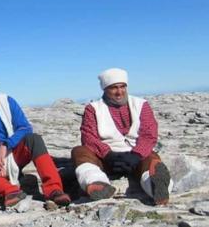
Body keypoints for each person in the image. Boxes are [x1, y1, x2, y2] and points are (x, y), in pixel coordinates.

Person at [0, 62, 71, 208]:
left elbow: (25, 127)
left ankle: (53, 189)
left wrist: (6, 145)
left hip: (12, 154)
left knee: (34, 139)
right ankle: (8, 190)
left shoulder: (6, 101)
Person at [71, 68, 173, 205]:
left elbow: (149, 134)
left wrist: (136, 155)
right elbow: (88, 136)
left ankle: (157, 188)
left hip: (136, 156)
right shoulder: (93, 108)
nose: (119, 92)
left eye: (122, 86)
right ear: (105, 89)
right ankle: (96, 183)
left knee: (151, 159)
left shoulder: (141, 105)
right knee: (80, 152)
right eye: (114, 88)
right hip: (106, 158)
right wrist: (108, 155)